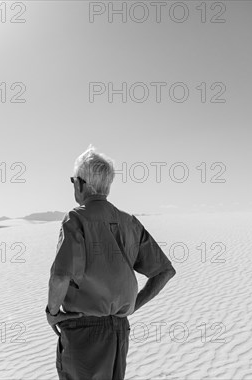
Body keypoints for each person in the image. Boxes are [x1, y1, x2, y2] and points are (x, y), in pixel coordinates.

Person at [46, 145, 176, 380]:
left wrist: (52, 312)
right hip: (119, 332)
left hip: (82, 332)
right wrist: (132, 306)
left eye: (73, 180)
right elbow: (164, 271)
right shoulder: (129, 222)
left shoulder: (75, 219)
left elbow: (60, 276)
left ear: (81, 183)